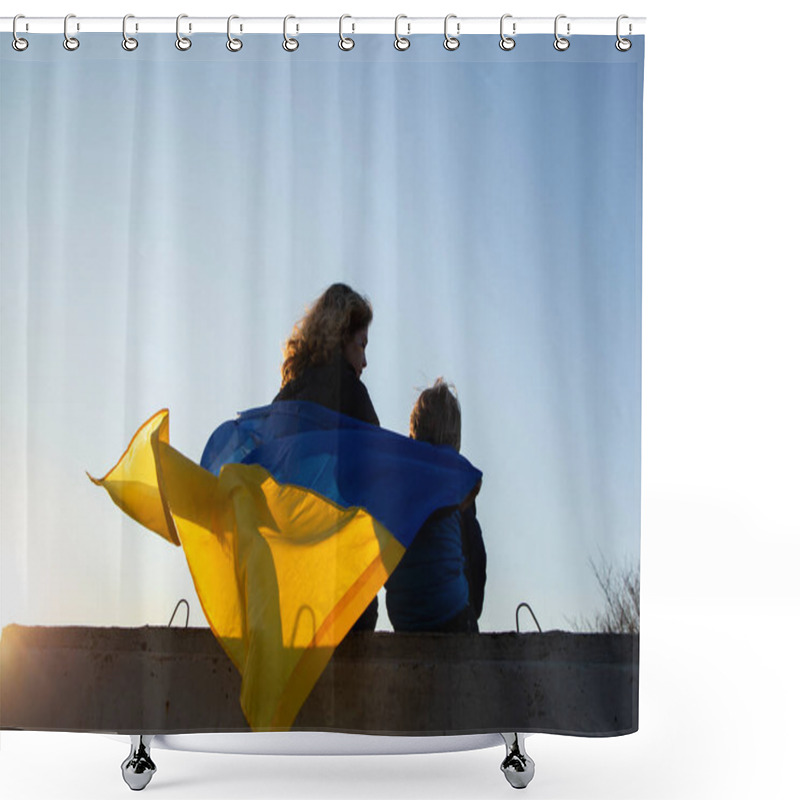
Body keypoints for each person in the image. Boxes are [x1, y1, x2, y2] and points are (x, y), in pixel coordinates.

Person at [273, 283, 380, 630]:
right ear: (341, 337)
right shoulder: (351, 395)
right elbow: (379, 476)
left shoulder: (286, 398)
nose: (364, 361)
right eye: (361, 345)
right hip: (342, 586)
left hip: (290, 585)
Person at [385, 379, 487, 633]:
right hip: (450, 616)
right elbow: (477, 558)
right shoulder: (456, 477)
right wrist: (473, 609)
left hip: (403, 619)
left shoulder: (394, 475)